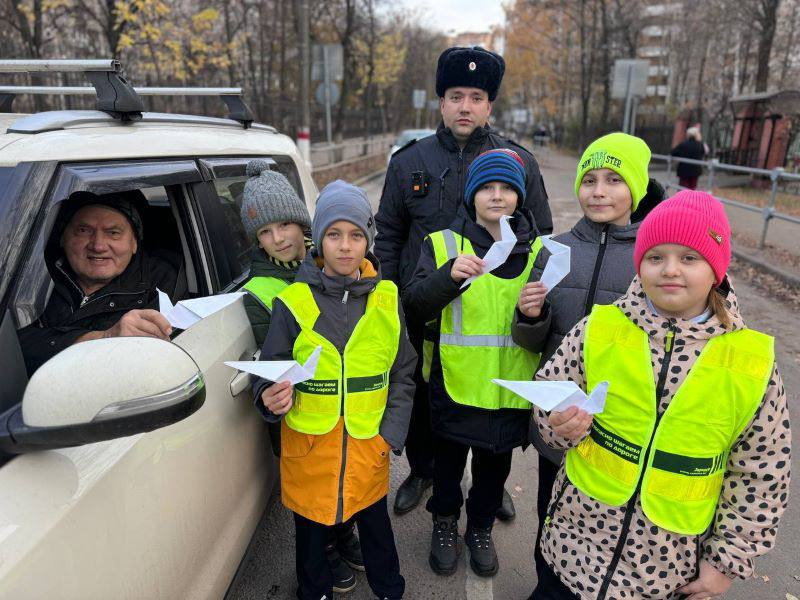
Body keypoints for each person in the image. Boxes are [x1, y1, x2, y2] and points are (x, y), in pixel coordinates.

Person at [529, 190, 791, 599]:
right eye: (656, 257)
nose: (670, 270)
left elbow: (763, 470)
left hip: (663, 570)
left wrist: (726, 562)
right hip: (573, 547)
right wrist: (558, 425)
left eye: (689, 258)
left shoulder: (748, 360)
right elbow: (547, 398)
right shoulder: (599, 328)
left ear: (716, 270)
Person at [375, 45, 552, 518]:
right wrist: (389, 301)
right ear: (441, 102)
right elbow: (389, 236)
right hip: (421, 302)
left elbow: (542, 237)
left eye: (476, 96)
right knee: (421, 397)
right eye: (456, 95)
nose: (465, 106)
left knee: (489, 398)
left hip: (490, 312)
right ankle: (423, 472)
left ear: (489, 105)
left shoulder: (517, 162)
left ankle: (487, 490)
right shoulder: (409, 161)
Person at [253, 180, 416, 600]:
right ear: (319, 242)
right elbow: (269, 374)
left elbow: (403, 372)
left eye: (356, 235)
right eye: (334, 234)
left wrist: (391, 435)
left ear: (368, 241)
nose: (346, 246)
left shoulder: (386, 297)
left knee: (377, 530)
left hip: (369, 447)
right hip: (310, 450)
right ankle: (315, 591)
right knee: (310, 536)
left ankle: (390, 589)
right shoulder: (292, 302)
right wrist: (269, 397)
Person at [510, 132, 656, 579]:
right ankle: (546, 583)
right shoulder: (555, 249)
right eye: (589, 179)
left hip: (618, 424)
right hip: (558, 421)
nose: (599, 191)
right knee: (550, 513)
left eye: (614, 179)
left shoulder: (650, 258)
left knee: (608, 524)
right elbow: (529, 342)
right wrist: (529, 315)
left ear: (637, 187)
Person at [404, 149, 543, 578]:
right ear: (471, 196)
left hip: (508, 392)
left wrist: (534, 315)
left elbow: (544, 334)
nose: (496, 197)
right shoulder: (444, 245)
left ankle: (479, 527)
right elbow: (413, 305)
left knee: (492, 470)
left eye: (506, 189)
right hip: (455, 386)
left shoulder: (539, 252)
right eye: (486, 188)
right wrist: (447, 277)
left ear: (519, 196)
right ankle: (445, 522)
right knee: (447, 467)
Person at [238, 161, 364, 594]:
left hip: (340, 405)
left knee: (341, 474)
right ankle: (324, 546)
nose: (279, 238)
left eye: (287, 224)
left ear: (303, 223)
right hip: (298, 410)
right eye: (266, 232)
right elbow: (267, 359)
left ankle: (343, 530)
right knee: (308, 488)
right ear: (256, 240)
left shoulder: (326, 261)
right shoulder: (258, 291)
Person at [18, 190, 183, 375]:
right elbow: (10, 346)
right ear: (63, 238)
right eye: (84, 230)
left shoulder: (164, 282)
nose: (98, 246)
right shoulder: (30, 274)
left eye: (113, 233)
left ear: (134, 243)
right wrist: (104, 337)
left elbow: (144, 368)